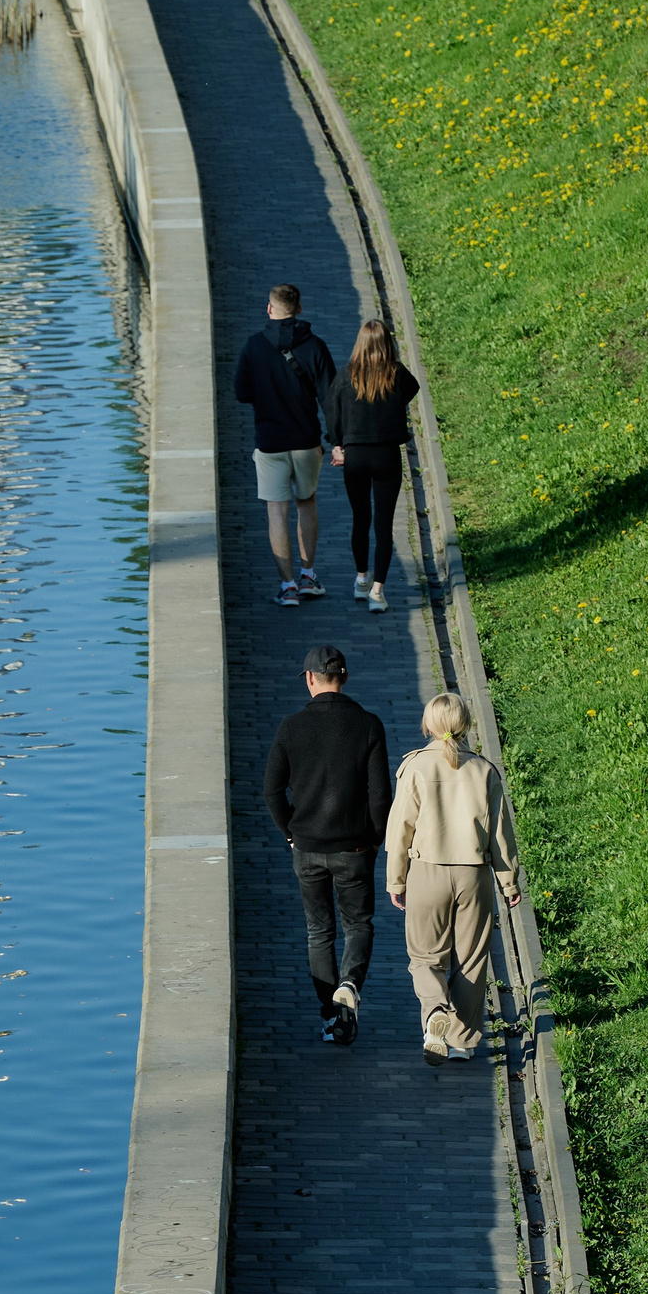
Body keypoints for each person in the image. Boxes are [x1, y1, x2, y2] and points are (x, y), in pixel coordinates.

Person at [384, 693, 524, 1064]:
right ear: (465, 726)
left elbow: (400, 829)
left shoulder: (414, 767)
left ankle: (434, 1013)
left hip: (427, 872)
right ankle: (462, 1042)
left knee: (425, 957)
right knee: (473, 959)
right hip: (473, 875)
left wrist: (396, 880)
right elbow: (500, 835)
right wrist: (508, 882)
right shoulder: (484, 770)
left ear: (428, 725)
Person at [264, 644, 391, 1044]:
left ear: (310, 679)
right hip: (354, 849)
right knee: (358, 924)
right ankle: (350, 985)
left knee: (318, 931)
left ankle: (331, 1017)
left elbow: (271, 791)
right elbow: (380, 797)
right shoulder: (369, 725)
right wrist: (375, 840)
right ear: (345, 678)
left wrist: (290, 832)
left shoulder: (290, 726)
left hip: (306, 848)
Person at [232, 282, 339, 608]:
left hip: (269, 443)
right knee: (306, 503)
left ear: (270, 309)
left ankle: (287, 586)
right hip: (306, 441)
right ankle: (309, 576)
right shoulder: (316, 346)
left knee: (276, 512)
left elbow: (241, 393)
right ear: (300, 309)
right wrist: (336, 440)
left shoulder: (253, 346)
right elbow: (330, 398)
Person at [326, 318, 421, 614]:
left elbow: (332, 413)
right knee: (384, 524)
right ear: (386, 344)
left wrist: (337, 442)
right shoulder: (397, 374)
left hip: (355, 456)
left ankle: (361, 578)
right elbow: (412, 389)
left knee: (360, 519)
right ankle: (378, 592)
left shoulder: (345, 376)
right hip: (387, 455)